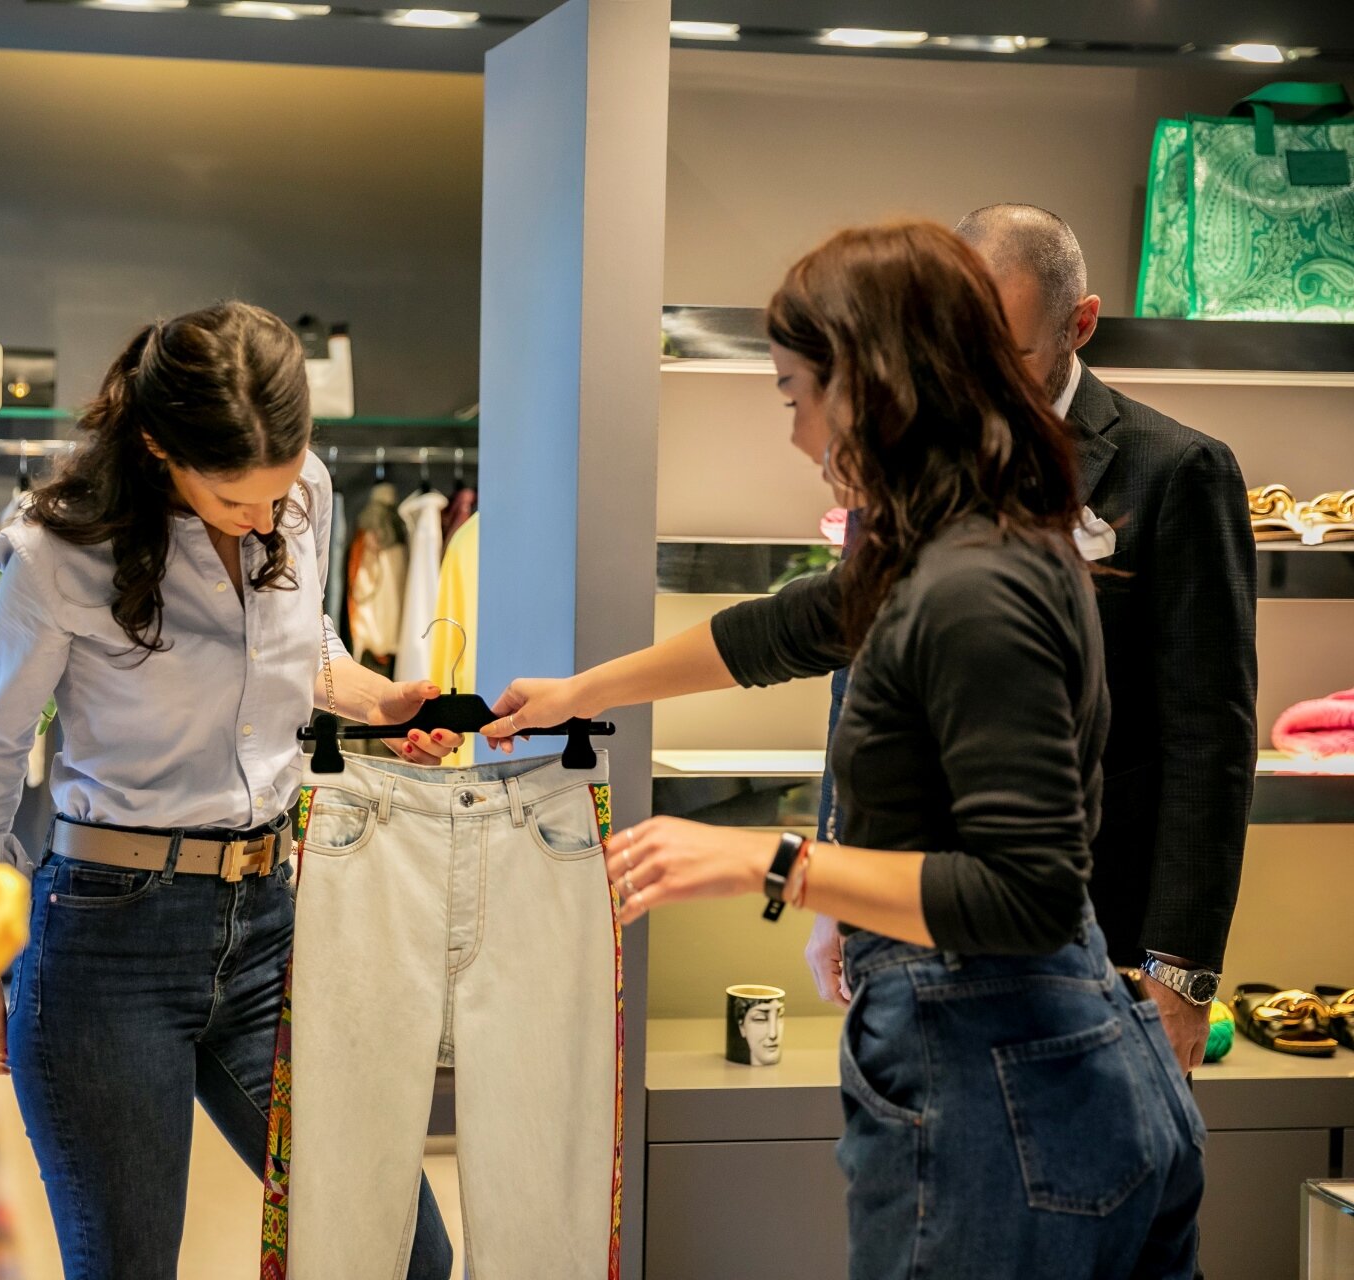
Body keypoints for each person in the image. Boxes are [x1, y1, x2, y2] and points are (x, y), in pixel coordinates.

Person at [485, 223, 1204, 1278]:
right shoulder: (958, 541)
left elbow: (1029, 888)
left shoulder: (972, 587)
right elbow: (790, 626)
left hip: (1003, 1093)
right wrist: (585, 690)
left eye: (793, 393)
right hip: (1047, 1072)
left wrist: (769, 863)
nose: (792, 431)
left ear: (876, 387)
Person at [0, 302, 459, 1278]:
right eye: (237, 499)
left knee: (404, 1248)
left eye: (279, 491)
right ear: (156, 447)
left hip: (267, 925)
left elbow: (301, 649)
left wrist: (382, 702)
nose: (268, 516)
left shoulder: (298, 487)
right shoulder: (61, 552)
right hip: (109, 945)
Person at [802, 207, 1257, 1072]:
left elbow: (1210, 735)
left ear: (1079, 323)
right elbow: (856, 687)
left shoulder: (1178, 471)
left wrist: (1182, 973)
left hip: (1091, 938)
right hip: (908, 925)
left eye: (1006, 352)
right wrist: (834, 887)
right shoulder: (899, 458)